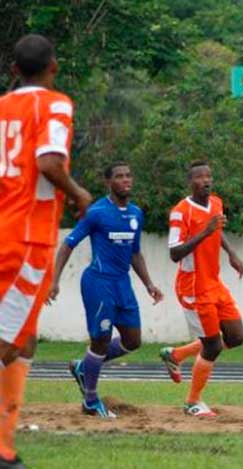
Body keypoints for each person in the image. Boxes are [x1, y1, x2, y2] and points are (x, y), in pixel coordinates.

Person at [0, 34, 92, 467]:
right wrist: (78, 194)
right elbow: (49, 162)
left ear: (14, 70)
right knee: (6, 342)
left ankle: (4, 446)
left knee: (23, 338)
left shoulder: (2, 108)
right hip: (26, 237)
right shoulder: (55, 104)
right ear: (53, 66)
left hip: (6, 229)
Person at [47, 162, 163, 418]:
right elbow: (68, 244)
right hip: (98, 282)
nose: (126, 180)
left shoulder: (135, 214)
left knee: (133, 340)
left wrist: (149, 284)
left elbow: (134, 253)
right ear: (108, 182)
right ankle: (90, 401)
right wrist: (54, 281)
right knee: (100, 339)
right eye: (120, 176)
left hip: (123, 283)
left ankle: (83, 368)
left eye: (129, 175)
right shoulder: (96, 212)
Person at [158, 161, 243, 417]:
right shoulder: (180, 212)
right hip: (194, 288)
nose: (206, 180)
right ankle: (192, 402)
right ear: (191, 182)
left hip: (214, 282)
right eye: (200, 177)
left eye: (209, 176)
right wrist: (205, 232)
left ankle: (176, 354)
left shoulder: (216, 203)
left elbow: (218, 231)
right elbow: (175, 253)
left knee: (236, 337)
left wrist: (231, 253)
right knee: (213, 346)